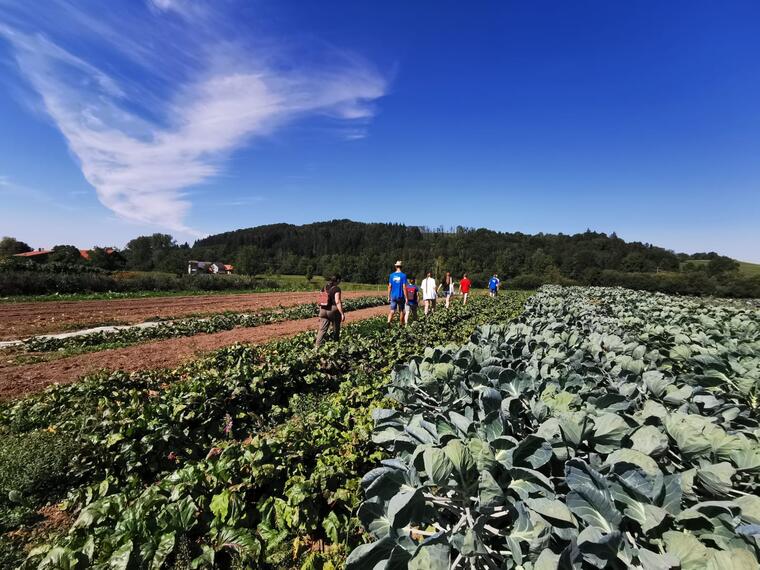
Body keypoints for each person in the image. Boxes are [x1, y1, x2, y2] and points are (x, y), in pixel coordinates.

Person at [315, 275, 345, 347]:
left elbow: (321, 300)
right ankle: (336, 346)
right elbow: (337, 301)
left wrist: (320, 313)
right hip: (332, 310)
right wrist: (342, 313)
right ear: (337, 280)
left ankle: (317, 347)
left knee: (322, 330)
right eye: (340, 280)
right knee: (336, 329)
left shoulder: (324, 287)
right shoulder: (336, 289)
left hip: (323, 309)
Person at [387, 261, 408, 326]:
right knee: (402, 311)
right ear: (401, 267)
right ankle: (401, 324)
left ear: (396, 266)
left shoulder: (391, 275)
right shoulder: (403, 275)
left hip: (393, 296)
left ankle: (388, 322)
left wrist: (388, 296)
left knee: (392, 311)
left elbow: (390, 286)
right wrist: (406, 297)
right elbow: (404, 287)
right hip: (400, 296)